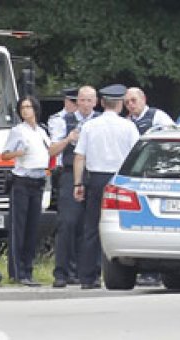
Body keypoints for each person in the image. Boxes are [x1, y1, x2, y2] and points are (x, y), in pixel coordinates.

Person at [73, 84, 139, 289]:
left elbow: (79, 157)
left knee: (91, 228)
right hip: (119, 181)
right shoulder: (128, 127)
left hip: (95, 179)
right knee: (120, 225)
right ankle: (120, 271)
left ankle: (87, 277)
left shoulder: (90, 126)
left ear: (101, 103)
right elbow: (135, 156)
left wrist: (78, 183)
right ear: (120, 104)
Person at [48, 86, 100, 288]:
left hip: (93, 173)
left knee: (91, 225)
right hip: (70, 173)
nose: (86, 104)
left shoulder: (101, 122)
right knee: (67, 223)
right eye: (82, 100)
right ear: (77, 101)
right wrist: (68, 139)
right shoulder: (64, 120)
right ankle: (61, 272)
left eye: (90, 100)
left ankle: (88, 272)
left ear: (96, 102)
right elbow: (52, 151)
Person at [2, 96, 57, 286]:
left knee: (32, 228)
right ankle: (17, 272)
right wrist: (17, 153)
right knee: (19, 228)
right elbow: (4, 155)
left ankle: (28, 269)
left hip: (38, 181)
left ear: (36, 109)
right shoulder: (18, 131)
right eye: (22, 108)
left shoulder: (41, 131)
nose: (25, 111)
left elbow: (49, 152)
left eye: (29, 107)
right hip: (22, 182)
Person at [124, 86, 172, 286]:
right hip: (136, 177)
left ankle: (153, 272)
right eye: (127, 102)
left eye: (133, 100)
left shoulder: (157, 117)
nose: (130, 105)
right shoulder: (126, 122)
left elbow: (171, 141)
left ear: (144, 99)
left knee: (154, 224)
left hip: (155, 176)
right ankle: (142, 270)